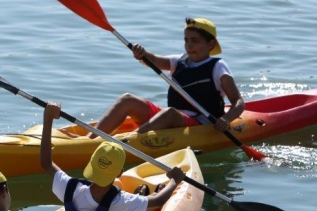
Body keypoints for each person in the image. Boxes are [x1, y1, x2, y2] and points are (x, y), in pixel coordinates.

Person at [40, 102, 185, 211]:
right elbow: (159, 200)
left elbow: (46, 163)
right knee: (139, 210)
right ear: (120, 172)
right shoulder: (120, 202)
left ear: (91, 164)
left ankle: (140, 196)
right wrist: (174, 180)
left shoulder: (70, 188)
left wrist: (48, 119)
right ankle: (143, 197)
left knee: (134, 206)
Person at [91, 17, 246, 137]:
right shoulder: (178, 61)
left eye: (195, 40)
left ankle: (129, 141)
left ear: (211, 45)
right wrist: (142, 54)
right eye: (186, 40)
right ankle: (92, 138)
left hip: (200, 122)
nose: (189, 45)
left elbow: (238, 102)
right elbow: (153, 60)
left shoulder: (218, 66)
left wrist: (226, 119)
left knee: (170, 113)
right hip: (172, 118)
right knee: (127, 100)